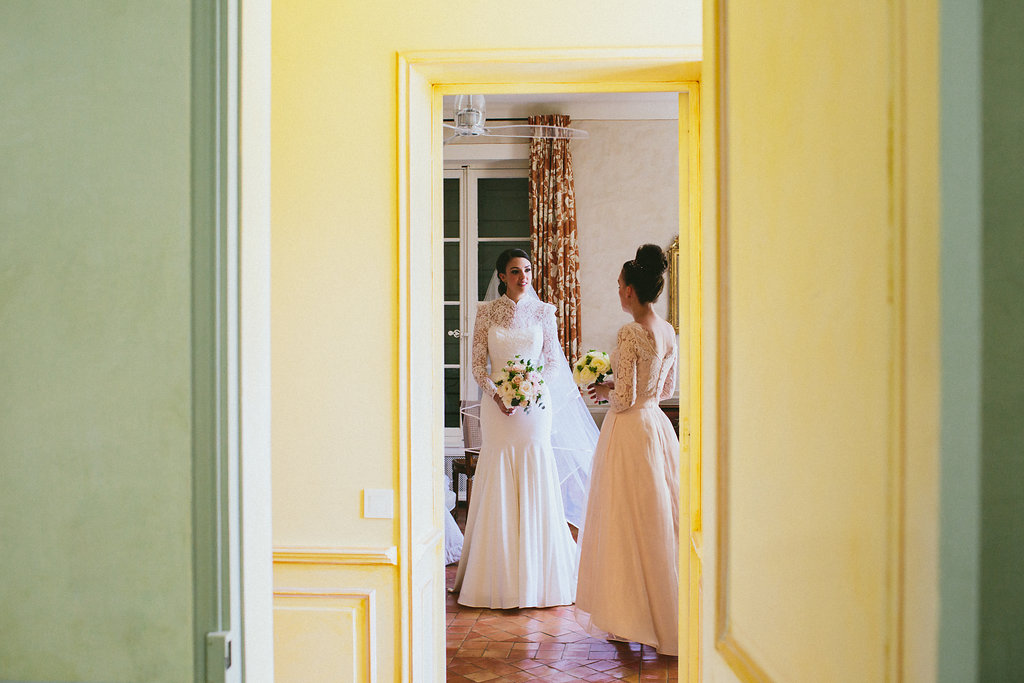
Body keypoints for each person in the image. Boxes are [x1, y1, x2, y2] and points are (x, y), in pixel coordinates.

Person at [452, 248, 596, 608]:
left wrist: (529, 388)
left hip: (535, 407)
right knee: (498, 470)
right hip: (497, 407)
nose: (523, 277)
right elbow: (476, 366)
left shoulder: (544, 312)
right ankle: (493, 576)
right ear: (502, 276)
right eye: (515, 271)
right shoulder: (485, 313)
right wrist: (497, 394)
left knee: (535, 466)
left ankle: (540, 576)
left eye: (527, 270)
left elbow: (550, 362)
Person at [575, 243, 681, 655]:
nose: (618, 291)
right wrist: (622, 389)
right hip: (655, 426)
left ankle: (631, 616)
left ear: (631, 291)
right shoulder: (668, 330)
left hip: (628, 430)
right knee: (657, 522)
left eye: (620, 285)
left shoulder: (630, 332)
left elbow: (624, 398)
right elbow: (665, 389)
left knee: (625, 521)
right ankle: (664, 615)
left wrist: (604, 388)